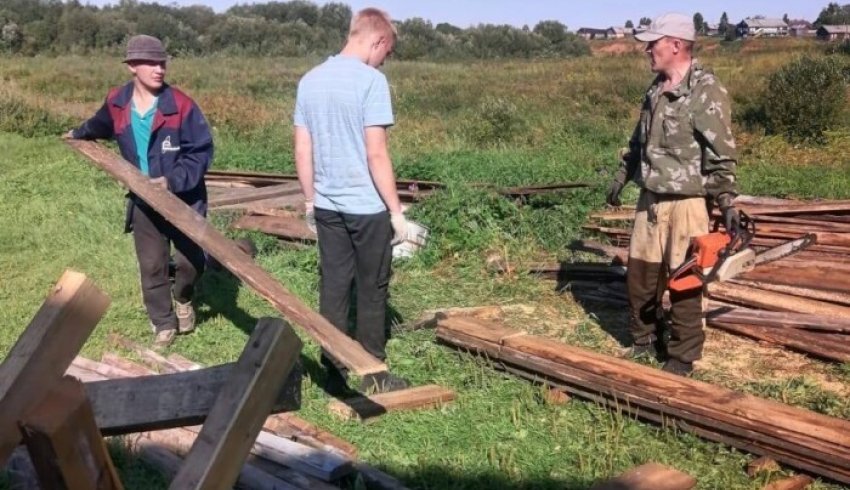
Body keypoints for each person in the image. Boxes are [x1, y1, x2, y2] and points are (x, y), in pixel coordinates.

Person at [605, 13, 740, 376]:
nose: (648, 49)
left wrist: (725, 200)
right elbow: (637, 142)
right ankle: (644, 338)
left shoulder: (705, 89)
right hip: (650, 200)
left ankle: (682, 355)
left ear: (676, 45)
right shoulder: (655, 89)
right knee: (641, 277)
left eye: (654, 42)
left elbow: (721, 153)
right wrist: (622, 176)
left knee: (684, 280)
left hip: (687, 204)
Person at [67, 34, 213, 348]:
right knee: (151, 264)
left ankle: (184, 296)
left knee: (190, 263)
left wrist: (172, 180)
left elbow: (200, 151)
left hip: (183, 197)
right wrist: (77, 133)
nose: (159, 69)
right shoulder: (118, 103)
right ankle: (163, 323)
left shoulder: (181, 106)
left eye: (162, 62)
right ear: (133, 66)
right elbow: (98, 125)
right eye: (150, 62)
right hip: (143, 198)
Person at [294, 8, 410, 394]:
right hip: (367, 208)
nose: (384, 60)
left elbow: (302, 147)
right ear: (376, 40)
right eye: (386, 52)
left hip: (327, 205)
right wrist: (396, 212)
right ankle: (373, 371)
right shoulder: (371, 82)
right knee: (373, 286)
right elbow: (376, 154)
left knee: (334, 284)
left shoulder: (309, 80)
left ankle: (332, 367)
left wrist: (310, 200)